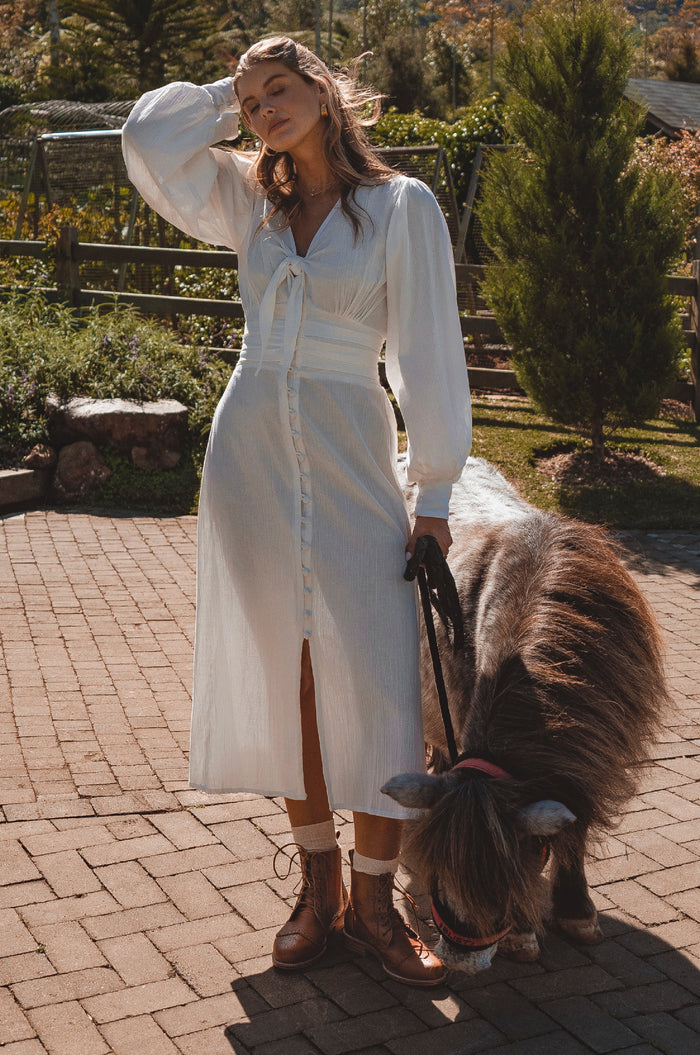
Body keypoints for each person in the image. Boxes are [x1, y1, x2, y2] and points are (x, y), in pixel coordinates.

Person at [122, 35, 471, 987]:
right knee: (295, 682)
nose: (264, 107)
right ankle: (317, 889)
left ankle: (374, 903)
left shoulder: (402, 207)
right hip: (250, 461)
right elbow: (148, 140)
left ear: (323, 87)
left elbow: (430, 351)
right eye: (251, 97)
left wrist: (433, 490)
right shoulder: (249, 200)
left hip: (353, 451)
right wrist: (218, 96)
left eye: (279, 87)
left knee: (379, 678)